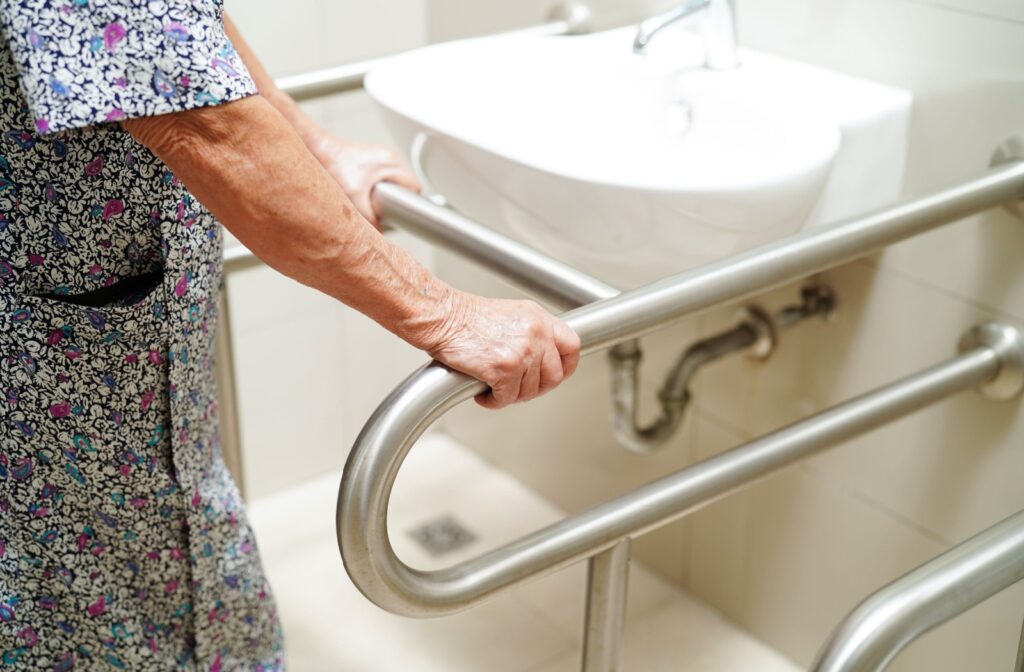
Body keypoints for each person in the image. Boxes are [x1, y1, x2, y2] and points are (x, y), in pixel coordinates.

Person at [0, 1, 581, 668]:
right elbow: (201, 119)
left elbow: (183, 30)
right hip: (56, 410)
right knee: (101, 615)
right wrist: (445, 315)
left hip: (106, 352)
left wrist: (318, 148)